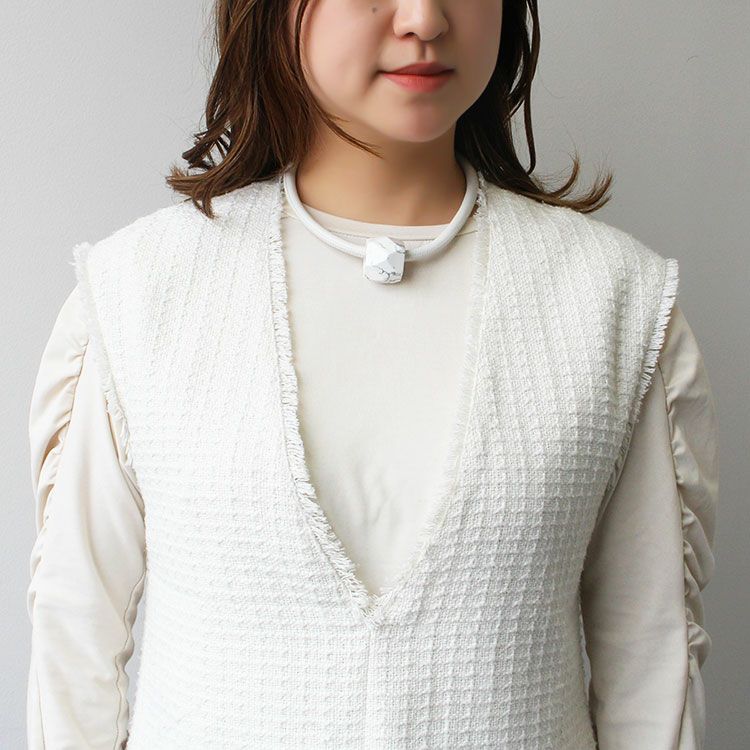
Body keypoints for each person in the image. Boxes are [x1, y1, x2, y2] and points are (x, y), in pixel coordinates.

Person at [26, 1, 719, 748]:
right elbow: (76, 639)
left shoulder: (613, 302)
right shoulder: (141, 292)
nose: (424, 19)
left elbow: (649, 663)